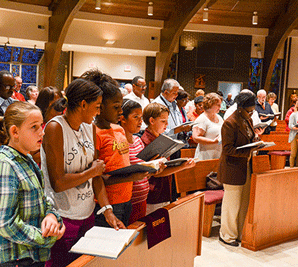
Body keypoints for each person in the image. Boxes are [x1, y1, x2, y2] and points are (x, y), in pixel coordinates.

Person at [41, 79, 123, 267]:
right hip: (62, 216)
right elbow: (58, 183)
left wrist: (107, 210)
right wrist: (91, 172)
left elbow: (96, 176)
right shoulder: (56, 127)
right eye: (97, 106)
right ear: (83, 104)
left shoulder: (90, 127)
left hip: (87, 213)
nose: (99, 111)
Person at [0, 101, 65, 266]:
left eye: (41, 125)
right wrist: (45, 238)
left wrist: (52, 217)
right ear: (15, 131)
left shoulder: (27, 159)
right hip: (14, 260)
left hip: (32, 257)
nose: (41, 133)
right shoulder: (3, 165)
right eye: (34, 127)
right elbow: (4, 224)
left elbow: (43, 201)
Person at [81, 69, 148, 227]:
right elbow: (96, 177)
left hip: (126, 199)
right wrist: (132, 177)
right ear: (100, 107)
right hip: (106, 204)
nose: (121, 111)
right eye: (116, 106)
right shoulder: (94, 133)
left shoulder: (118, 129)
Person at [218, 90, 264, 247]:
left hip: (246, 167)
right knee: (232, 205)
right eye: (249, 111)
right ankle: (227, 235)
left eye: (253, 111)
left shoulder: (247, 120)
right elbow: (228, 149)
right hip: (232, 168)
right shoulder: (230, 123)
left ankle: (238, 233)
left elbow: (249, 138)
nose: (251, 114)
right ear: (239, 108)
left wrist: (256, 140)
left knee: (244, 203)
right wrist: (249, 150)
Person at [141, 102, 196, 214]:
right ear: (151, 121)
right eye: (163, 121)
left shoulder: (160, 138)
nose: (166, 124)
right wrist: (181, 167)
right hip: (153, 193)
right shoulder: (147, 141)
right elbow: (157, 172)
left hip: (164, 191)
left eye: (167, 121)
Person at [192, 93, 224, 160]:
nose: (220, 107)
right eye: (218, 105)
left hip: (217, 154)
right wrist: (213, 141)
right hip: (205, 156)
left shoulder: (219, 117)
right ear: (210, 104)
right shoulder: (202, 119)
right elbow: (195, 137)